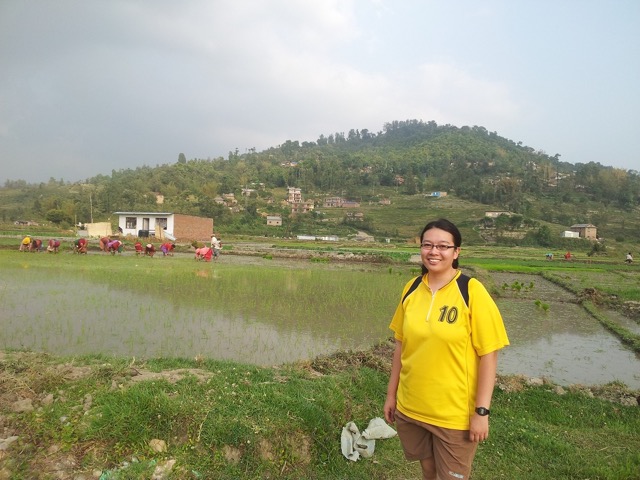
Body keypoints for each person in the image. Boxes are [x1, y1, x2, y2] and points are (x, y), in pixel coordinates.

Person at [384, 218, 510, 480]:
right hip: (411, 408)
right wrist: (391, 395)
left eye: (443, 246)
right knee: (428, 470)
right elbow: (401, 347)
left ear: (456, 252)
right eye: (427, 245)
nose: (434, 252)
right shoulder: (412, 288)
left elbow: (489, 356)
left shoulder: (471, 291)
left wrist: (481, 412)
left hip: (453, 416)